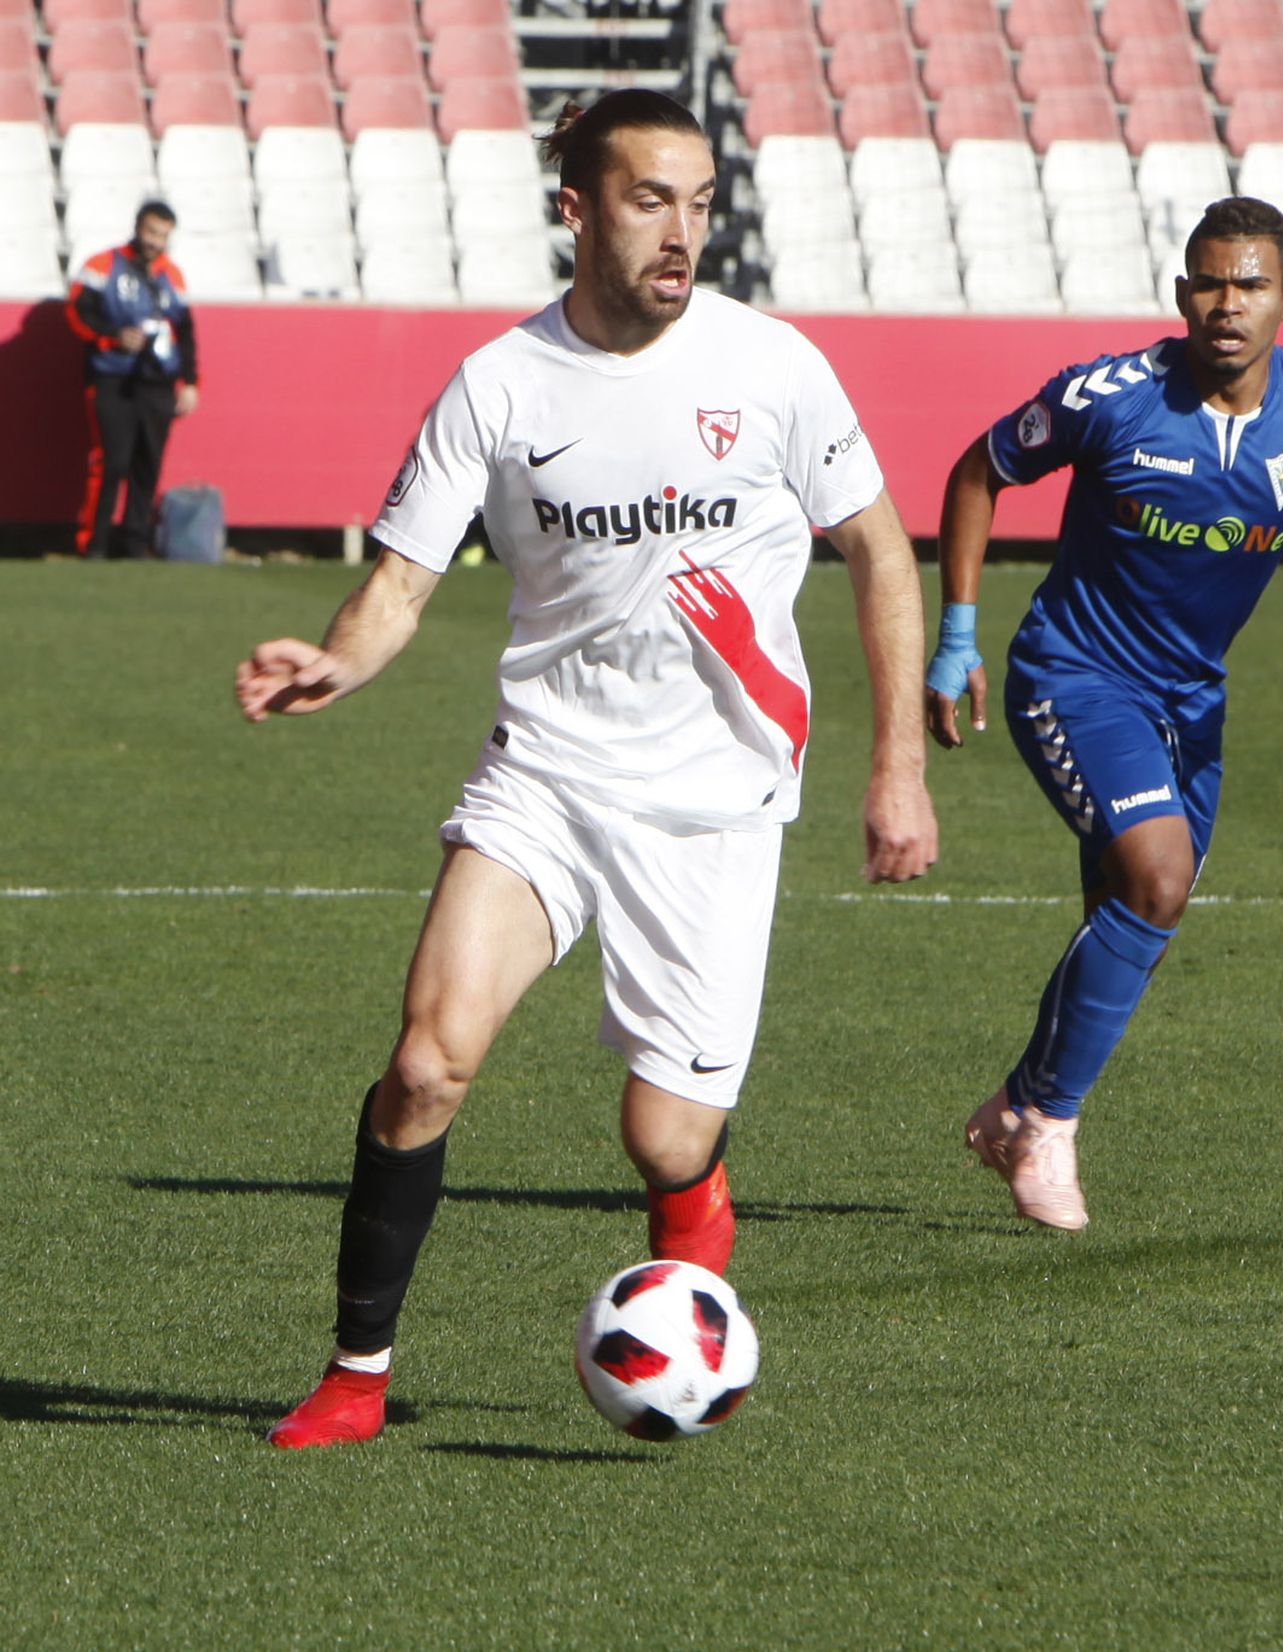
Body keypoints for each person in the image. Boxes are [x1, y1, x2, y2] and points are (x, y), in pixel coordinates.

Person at [236, 89, 938, 1449]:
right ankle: (356, 1376)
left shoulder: (776, 368)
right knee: (429, 1063)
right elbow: (399, 583)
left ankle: (689, 1285)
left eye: (701, 202)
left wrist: (896, 770)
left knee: (668, 1143)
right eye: (647, 200)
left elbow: (884, 555)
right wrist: (336, 661)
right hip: (547, 774)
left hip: (715, 801)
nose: (684, 232)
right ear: (576, 210)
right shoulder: (502, 383)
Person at [926, 196, 1283, 1232]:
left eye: (1248, 285)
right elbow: (977, 472)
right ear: (1179, 294)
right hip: (1072, 675)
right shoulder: (1109, 395)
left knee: (1138, 903)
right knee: (1154, 879)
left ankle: (1010, 1108)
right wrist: (958, 635)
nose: (1224, 304)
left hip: (1191, 700)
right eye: (1206, 282)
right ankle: (1050, 1123)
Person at [66, 200, 200, 560]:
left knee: (148, 462)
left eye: (163, 235)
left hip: (156, 381)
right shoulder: (103, 265)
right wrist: (112, 335)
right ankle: (94, 544)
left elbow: (185, 329)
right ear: (138, 227)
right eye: (151, 232)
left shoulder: (171, 274)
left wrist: (189, 381)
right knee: (112, 461)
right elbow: (78, 313)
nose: (156, 241)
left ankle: (135, 546)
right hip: (111, 377)